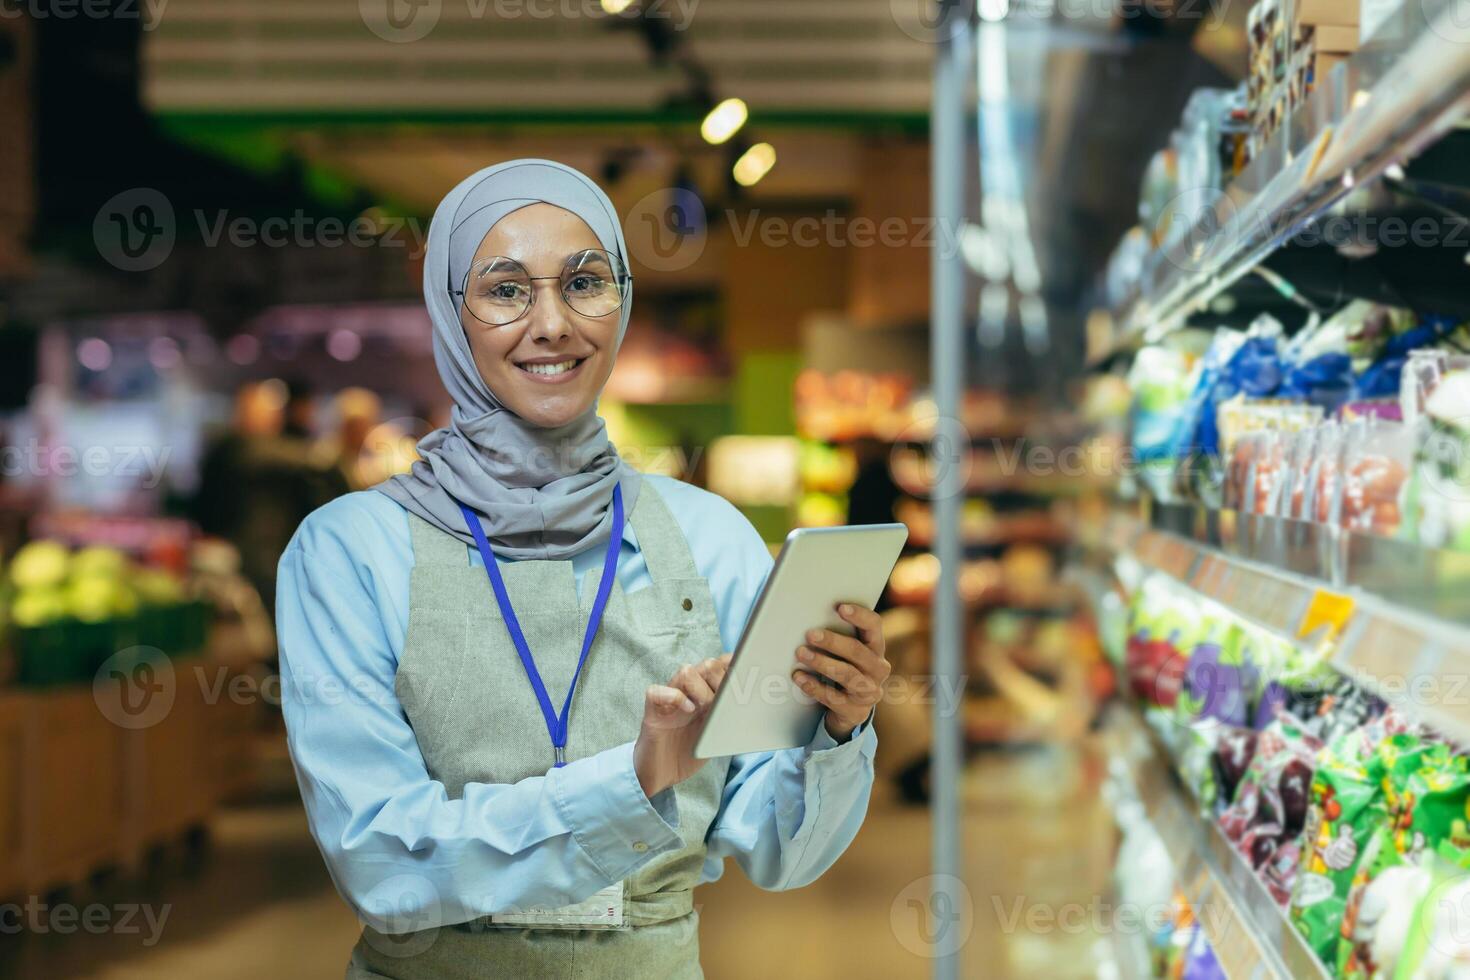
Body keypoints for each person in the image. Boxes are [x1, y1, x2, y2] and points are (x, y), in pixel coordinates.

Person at [276, 159, 888, 978]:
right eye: (504, 290)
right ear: (449, 312)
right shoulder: (349, 552)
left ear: (623, 298)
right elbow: (382, 861)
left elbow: (782, 851)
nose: (554, 323)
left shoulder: (709, 538)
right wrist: (630, 782)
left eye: (585, 281)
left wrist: (836, 733)